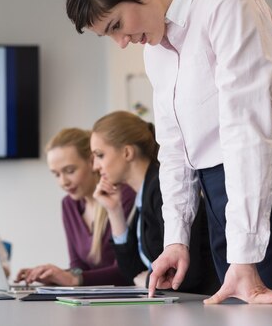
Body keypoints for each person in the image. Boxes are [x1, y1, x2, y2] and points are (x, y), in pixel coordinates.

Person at [65, 0, 272, 304]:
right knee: (238, 313)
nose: (122, 42)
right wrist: (176, 239)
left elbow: (246, 132)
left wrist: (244, 254)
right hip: (218, 195)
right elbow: (174, 150)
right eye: (109, 36)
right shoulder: (155, 52)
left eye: (117, 26)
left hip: (270, 183)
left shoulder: (225, 2)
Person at [91, 111, 218, 293]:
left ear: (127, 152)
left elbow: (187, 274)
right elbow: (132, 273)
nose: (95, 166)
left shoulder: (161, 189)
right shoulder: (144, 194)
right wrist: (114, 211)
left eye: (100, 155)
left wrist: (148, 280)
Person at [15, 128, 135, 286]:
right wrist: (54, 275)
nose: (63, 182)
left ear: (92, 162)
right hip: (94, 301)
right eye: (56, 174)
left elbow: (127, 270)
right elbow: (78, 267)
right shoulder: (69, 205)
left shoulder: (123, 197)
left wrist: (74, 279)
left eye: (70, 171)